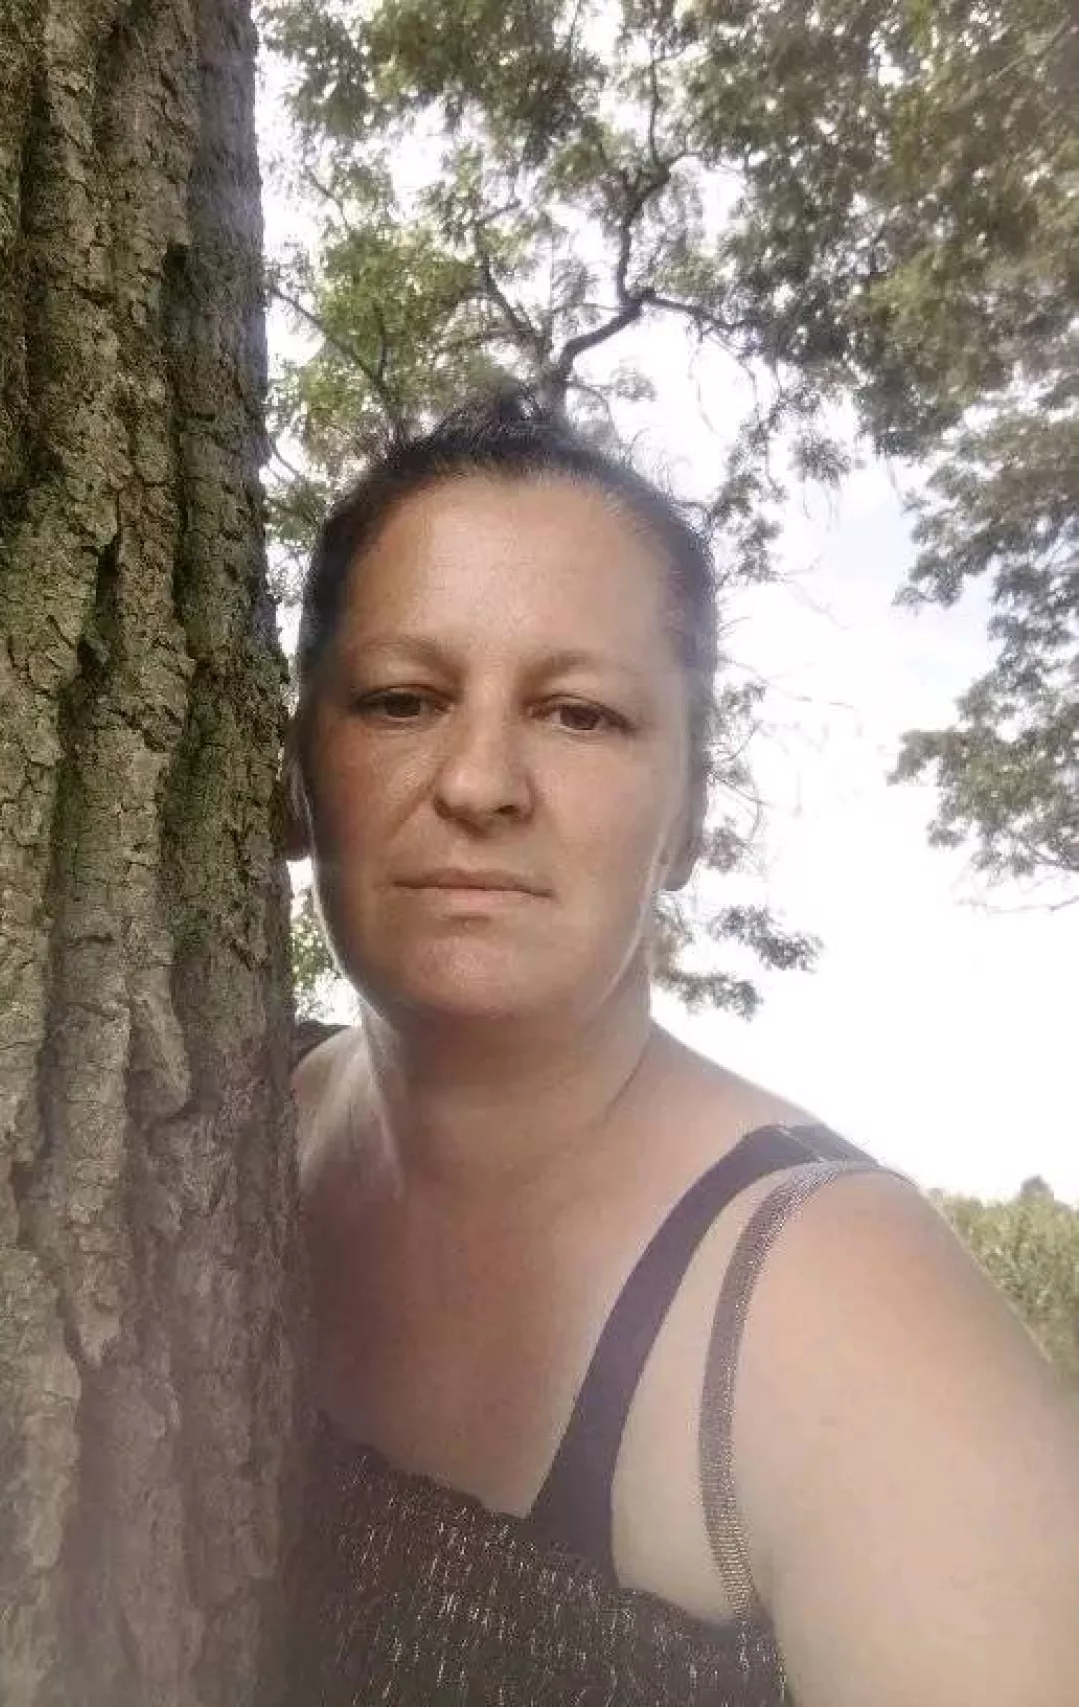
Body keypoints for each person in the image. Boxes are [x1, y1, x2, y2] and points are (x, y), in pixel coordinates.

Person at [279, 389, 1079, 1705]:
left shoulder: (850, 1323)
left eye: (580, 713)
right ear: (296, 770)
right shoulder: (189, 1119)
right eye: (402, 699)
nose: (480, 783)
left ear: (693, 810)